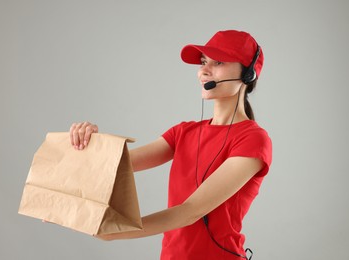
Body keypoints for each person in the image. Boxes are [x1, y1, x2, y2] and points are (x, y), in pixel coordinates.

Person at [69, 30, 272, 260]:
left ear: (248, 74)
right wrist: (89, 142)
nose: (204, 71)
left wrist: (116, 231)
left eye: (219, 62)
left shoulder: (253, 140)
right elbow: (114, 165)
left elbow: (190, 211)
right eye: (204, 62)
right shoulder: (184, 132)